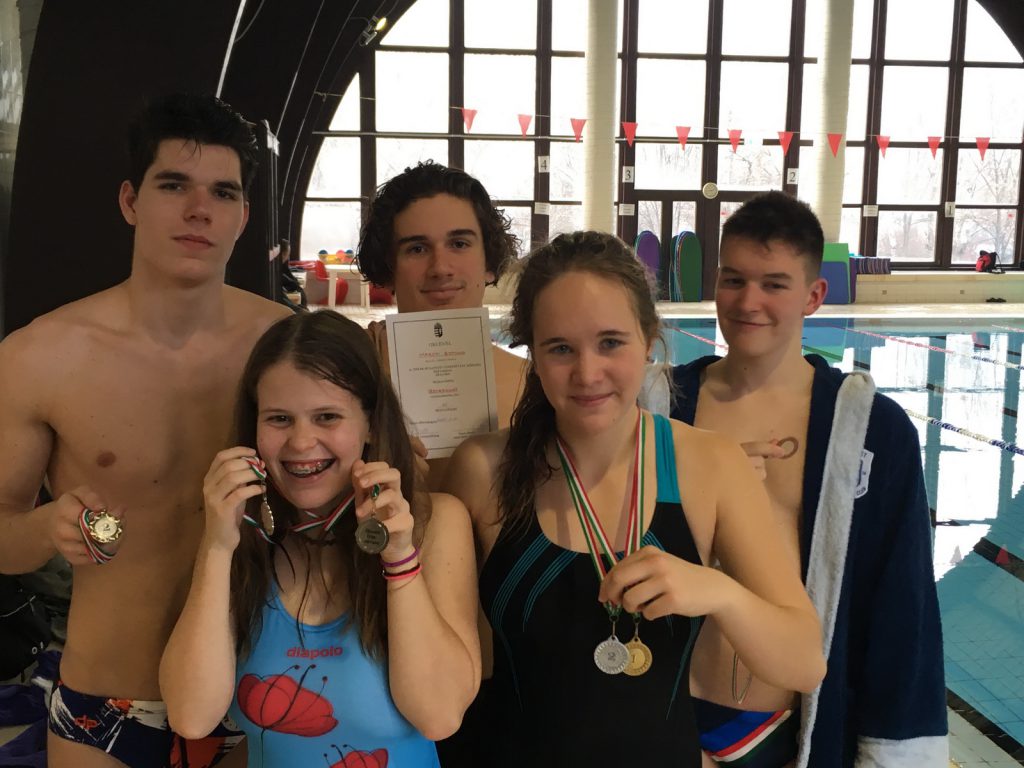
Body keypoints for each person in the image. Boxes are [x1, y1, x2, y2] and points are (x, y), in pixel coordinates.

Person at [442, 230, 825, 767]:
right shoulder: (483, 471)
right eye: (560, 348)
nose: (587, 373)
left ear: (649, 340)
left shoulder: (709, 466)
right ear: (533, 353)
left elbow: (804, 663)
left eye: (611, 343)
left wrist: (719, 592)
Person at [0, 93, 291, 767]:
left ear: (243, 216)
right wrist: (47, 528)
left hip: (257, 693)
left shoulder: (285, 347)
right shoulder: (40, 357)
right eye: (174, 185)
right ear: (130, 200)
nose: (199, 210)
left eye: (223, 192)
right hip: (106, 700)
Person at [671, 191, 947, 767]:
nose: (748, 301)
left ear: (814, 296)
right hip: (670, 714)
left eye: (773, 284)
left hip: (792, 727)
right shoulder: (663, 408)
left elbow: (903, 609)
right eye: (733, 279)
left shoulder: (872, 430)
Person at [159, 311, 480, 768]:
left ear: (371, 424)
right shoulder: (236, 532)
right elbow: (191, 717)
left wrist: (399, 559)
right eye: (279, 419)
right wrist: (216, 547)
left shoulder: (436, 522)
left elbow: (440, 715)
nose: (301, 442)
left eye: (327, 416)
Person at [355, 161, 527, 453]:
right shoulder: (347, 371)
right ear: (388, 268)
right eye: (417, 249)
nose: (440, 268)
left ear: (489, 262)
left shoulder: (535, 385)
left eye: (459, 244)